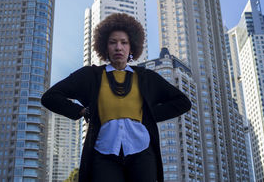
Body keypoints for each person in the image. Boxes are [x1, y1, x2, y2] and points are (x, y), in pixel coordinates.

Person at [41, 13, 191, 182]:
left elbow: (183, 102)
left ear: (131, 47)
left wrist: (148, 114)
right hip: (104, 154)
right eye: (113, 42)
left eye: (124, 42)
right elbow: (50, 97)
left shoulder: (146, 77)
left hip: (142, 153)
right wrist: (81, 111)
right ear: (105, 47)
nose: (118, 47)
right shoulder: (91, 76)